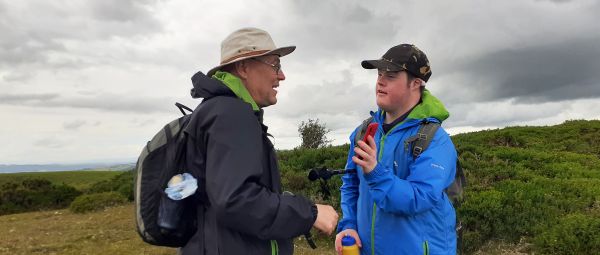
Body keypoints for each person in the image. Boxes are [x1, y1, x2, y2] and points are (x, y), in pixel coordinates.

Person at [181, 27, 339, 255]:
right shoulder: (231, 114)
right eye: (275, 65)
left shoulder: (216, 110)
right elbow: (236, 201)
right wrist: (310, 213)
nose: (281, 75)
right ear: (244, 68)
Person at [335, 44, 458, 255]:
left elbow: (420, 197)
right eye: (379, 74)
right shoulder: (363, 132)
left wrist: (375, 173)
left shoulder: (435, 140)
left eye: (391, 75)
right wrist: (349, 225)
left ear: (416, 83)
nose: (380, 81)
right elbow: (351, 184)